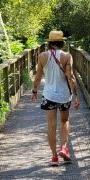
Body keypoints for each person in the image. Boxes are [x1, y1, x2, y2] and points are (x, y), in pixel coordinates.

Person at [32, 30, 80, 165]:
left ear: (49, 43)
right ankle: (63, 148)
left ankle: (54, 157)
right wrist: (76, 96)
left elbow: (38, 76)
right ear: (62, 42)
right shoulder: (67, 56)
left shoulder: (42, 56)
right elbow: (71, 76)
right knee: (65, 121)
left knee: (51, 125)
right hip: (64, 95)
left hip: (49, 95)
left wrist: (34, 90)